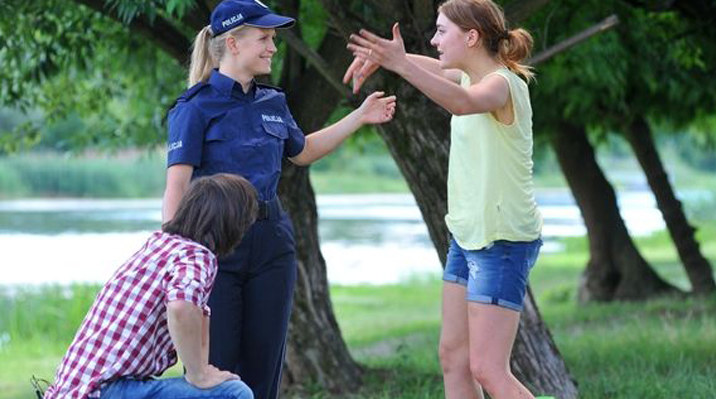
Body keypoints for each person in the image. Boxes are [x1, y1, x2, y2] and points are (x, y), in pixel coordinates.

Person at [162, 1, 396, 398]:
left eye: (273, 39)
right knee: (214, 370)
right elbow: (176, 188)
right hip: (214, 247)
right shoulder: (194, 107)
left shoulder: (273, 101)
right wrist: (173, 256)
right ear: (233, 44)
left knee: (264, 370)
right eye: (264, 38)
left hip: (272, 243)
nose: (273, 47)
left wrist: (359, 116)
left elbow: (302, 152)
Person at [344, 0, 543, 398]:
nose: (433, 40)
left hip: (501, 240)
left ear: (471, 37)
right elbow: (437, 70)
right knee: (453, 357)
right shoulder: (470, 75)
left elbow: (462, 104)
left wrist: (399, 63)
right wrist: (389, 59)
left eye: (440, 31)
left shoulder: (502, 84)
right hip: (467, 236)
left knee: (488, 369)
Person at [44, 173, 259, 399]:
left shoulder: (160, 246)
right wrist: (198, 375)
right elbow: (181, 308)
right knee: (235, 393)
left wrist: (203, 371)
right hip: (103, 391)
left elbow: (195, 314)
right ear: (231, 222)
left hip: (79, 389)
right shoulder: (195, 257)